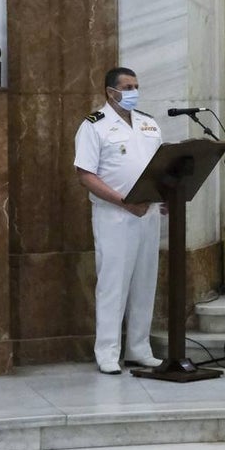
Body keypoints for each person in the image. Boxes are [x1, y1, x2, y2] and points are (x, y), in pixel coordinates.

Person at [74, 67, 164, 375]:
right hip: (115, 215)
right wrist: (123, 201)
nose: (132, 92)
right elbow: (85, 174)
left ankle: (139, 348)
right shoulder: (94, 126)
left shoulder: (148, 124)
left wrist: (163, 198)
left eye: (136, 86)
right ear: (110, 92)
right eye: (127, 87)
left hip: (149, 214)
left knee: (144, 281)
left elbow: (160, 167)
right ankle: (108, 351)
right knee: (114, 283)